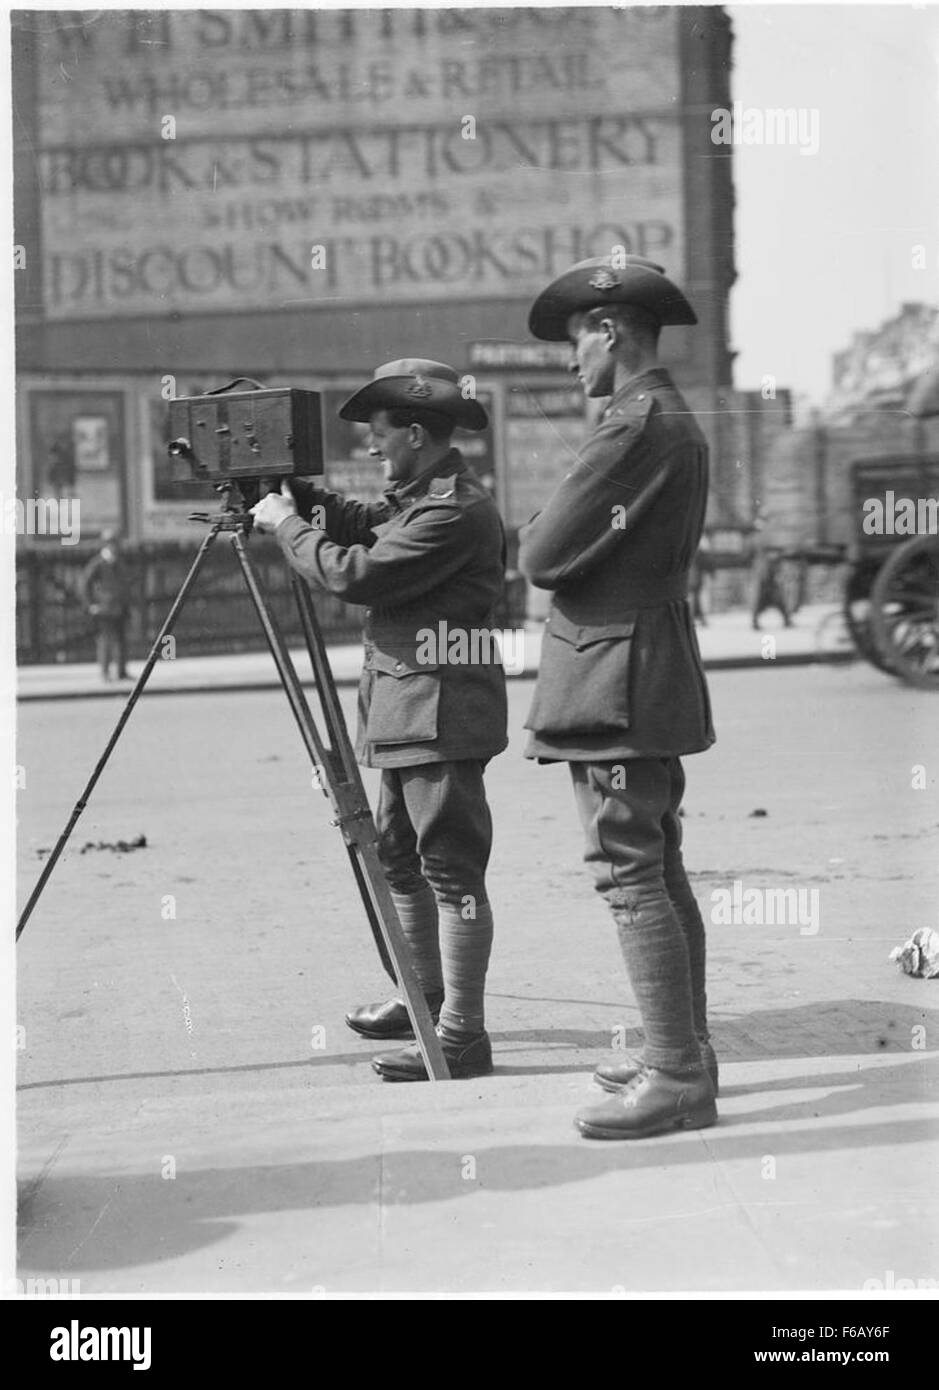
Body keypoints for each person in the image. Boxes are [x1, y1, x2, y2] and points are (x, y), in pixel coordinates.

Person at [250, 360, 507, 1082]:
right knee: (398, 857)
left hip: (441, 712)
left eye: (380, 434)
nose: (371, 448)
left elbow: (357, 575)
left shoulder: (453, 509)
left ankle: (461, 1035)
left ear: (417, 433)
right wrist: (295, 493)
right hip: (408, 709)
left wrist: (284, 525)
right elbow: (365, 524)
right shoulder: (420, 497)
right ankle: (424, 997)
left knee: (451, 868)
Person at [518, 254, 718, 1140]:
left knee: (627, 868)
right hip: (646, 664)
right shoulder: (671, 417)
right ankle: (686, 1052)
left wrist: (535, 531)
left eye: (577, 342)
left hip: (614, 675)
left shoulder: (632, 425)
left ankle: (675, 1074)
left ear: (609, 330)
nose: (573, 362)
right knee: (658, 865)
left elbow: (541, 556)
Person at [80, 528, 129, 681]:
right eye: (111, 543)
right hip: (104, 608)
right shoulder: (98, 563)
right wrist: (90, 605)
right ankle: (105, 672)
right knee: (105, 641)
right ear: (105, 544)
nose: (114, 546)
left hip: (119, 607)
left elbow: (125, 584)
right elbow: (84, 584)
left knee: (121, 640)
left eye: (116, 543)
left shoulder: (120, 562)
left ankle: (121, 672)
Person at [749, 510, 792, 630]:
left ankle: (785, 619)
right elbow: (769, 552)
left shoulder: (759, 533)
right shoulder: (764, 534)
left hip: (765, 570)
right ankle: (785, 619)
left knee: (770, 597)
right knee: (773, 597)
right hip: (766, 571)